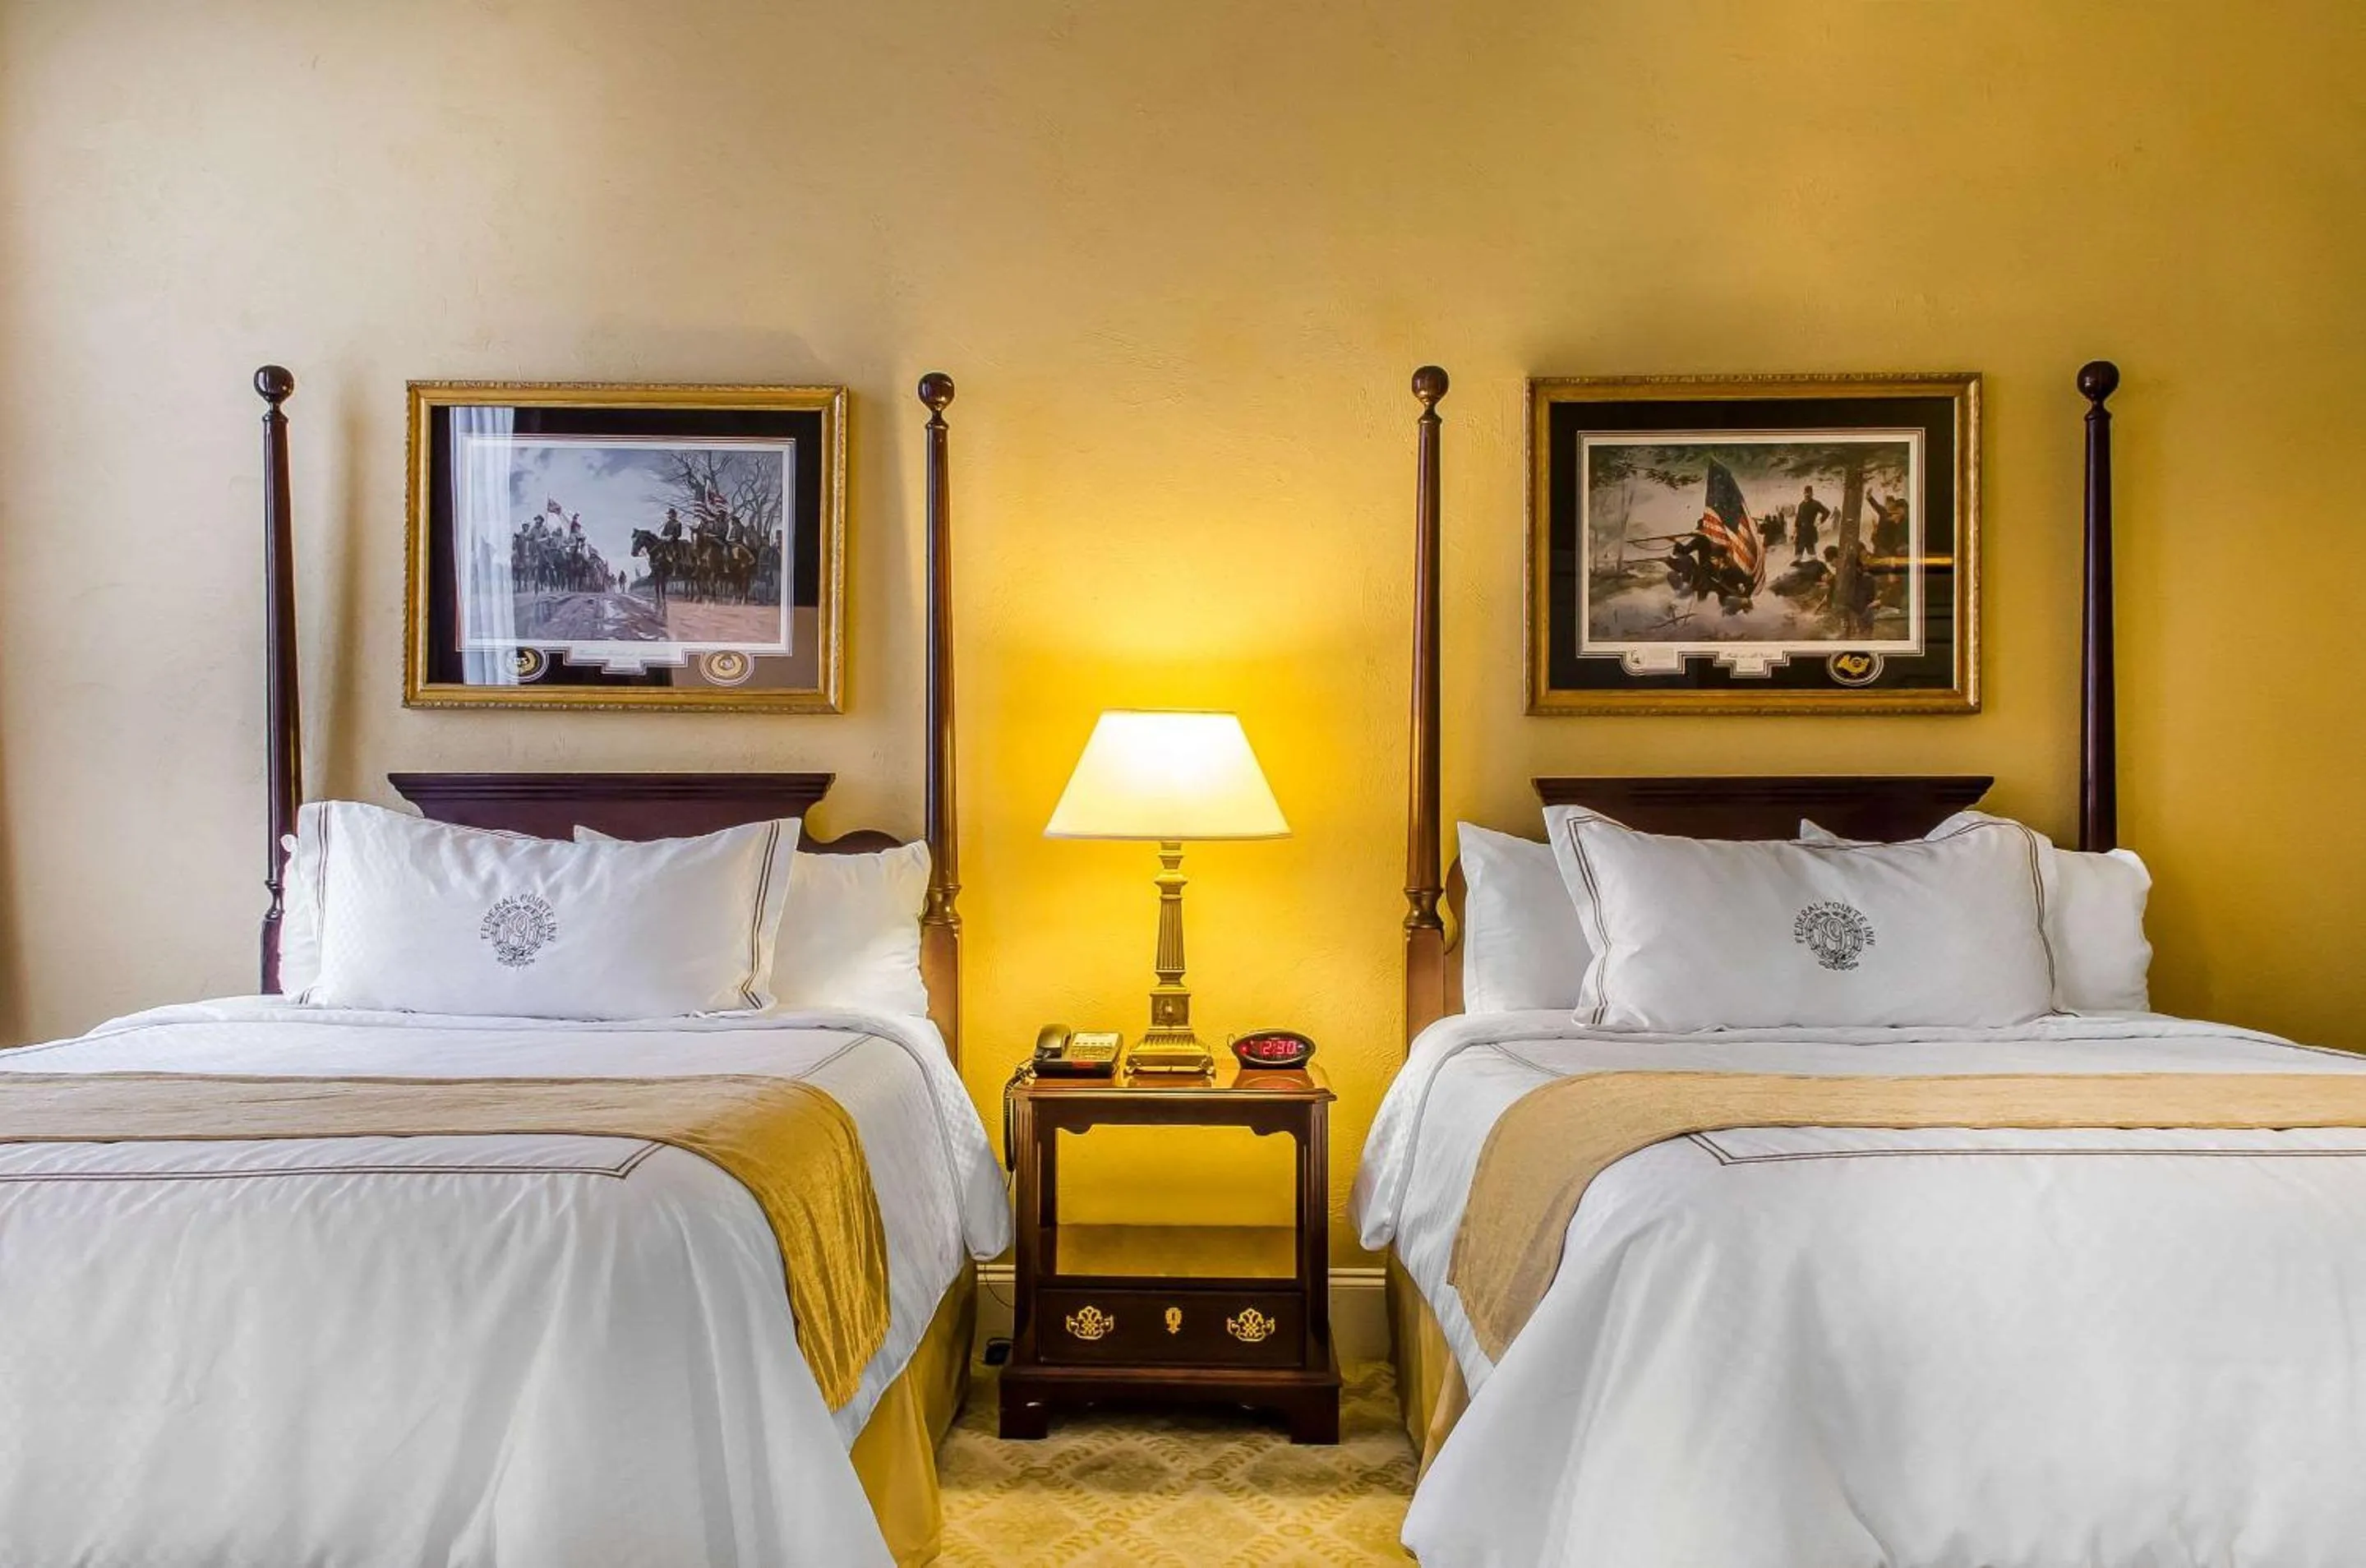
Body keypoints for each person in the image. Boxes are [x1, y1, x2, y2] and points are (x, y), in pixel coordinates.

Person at [1792, 484, 1829, 561]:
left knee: (1812, 555)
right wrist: (1795, 531)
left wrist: (1819, 522)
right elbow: (1798, 519)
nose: (1808, 494)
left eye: (1810, 493)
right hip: (1800, 533)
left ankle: (1814, 568)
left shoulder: (1815, 504)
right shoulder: (1801, 505)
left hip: (1810, 532)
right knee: (1798, 555)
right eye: (1806, 492)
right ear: (1804, 493)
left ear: (1812, 494)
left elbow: (1826, 512)